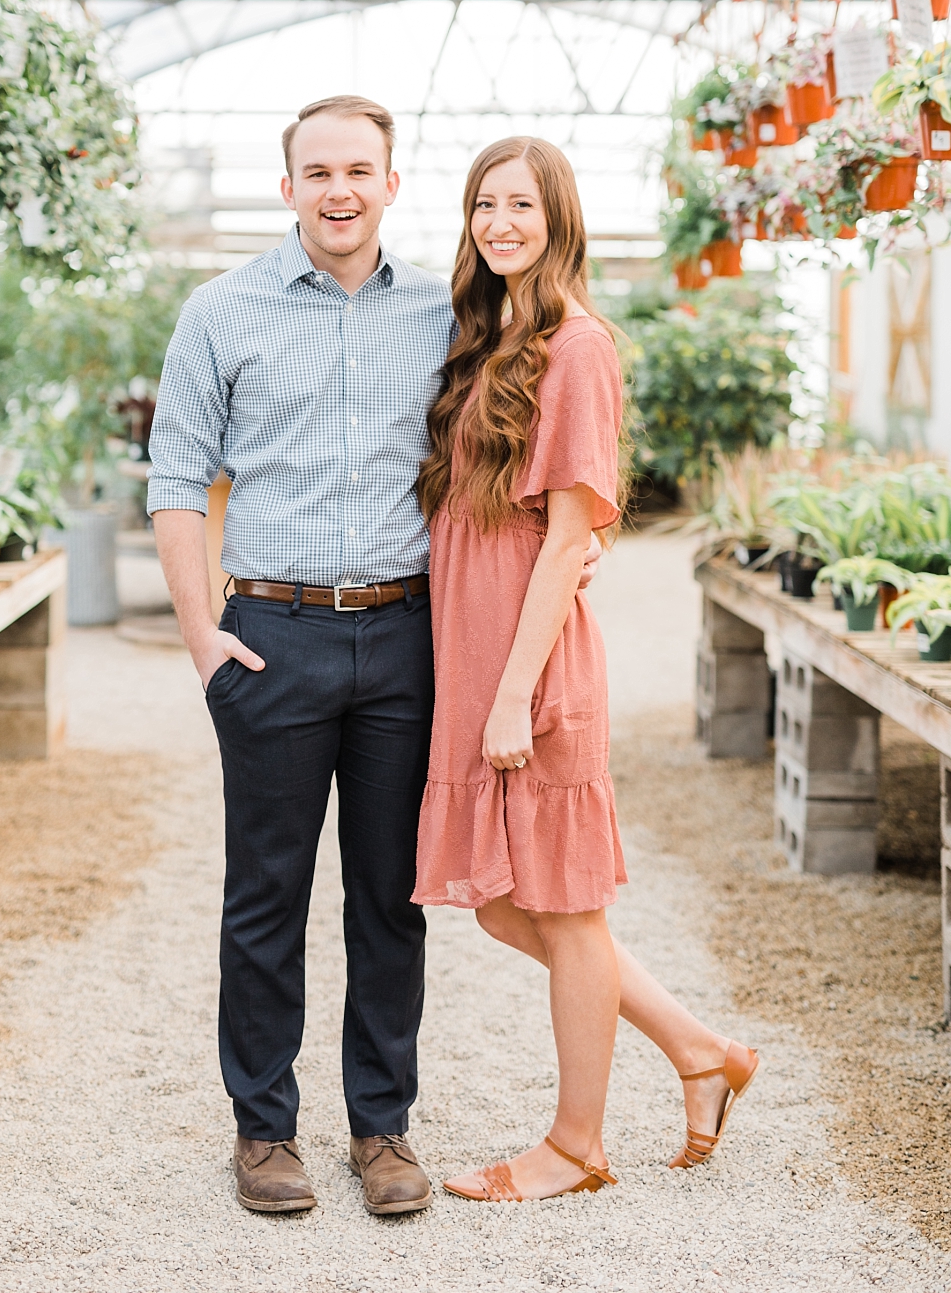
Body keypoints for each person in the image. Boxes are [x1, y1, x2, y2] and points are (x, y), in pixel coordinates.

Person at [147, 95, 600, 1219]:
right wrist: (205, 638)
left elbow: (530, 445)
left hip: (409, 639)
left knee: (388, 900)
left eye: (360, 170)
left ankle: (381, 1129)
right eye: (318, 173)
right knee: (265, 897)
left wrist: (572, 548)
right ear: (288, 185)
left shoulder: (451, 319)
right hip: (274, 638)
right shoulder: (221, 310)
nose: (339, 190)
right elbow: (173, 480)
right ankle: (264, 1132)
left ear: (393, 185)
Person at [413, 136, 759, 1203]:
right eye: (484, 203)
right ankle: (701, 1049)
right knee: (511, 908)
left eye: (522, 204)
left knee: (560, 907)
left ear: (560, 219)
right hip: (481, 663)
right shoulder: (491, 341)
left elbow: (569, 538)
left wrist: (513, 690)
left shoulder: (577, 347)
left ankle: (576, 1145)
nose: (499, 222)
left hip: (534, 668)